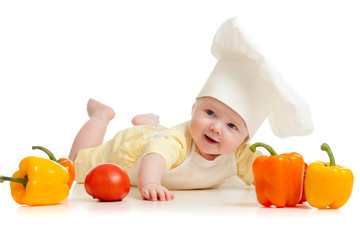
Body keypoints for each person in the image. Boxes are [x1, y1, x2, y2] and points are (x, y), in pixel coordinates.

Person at [70, 17, 314, 201]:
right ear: (194, 107)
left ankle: (149, 124)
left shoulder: (240, 155)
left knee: (163, 135)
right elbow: (156, 154)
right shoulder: (177, 141)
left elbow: (265, 174)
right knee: (75, 164)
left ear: (244, 139)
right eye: (210, 113)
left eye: (231, 126)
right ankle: (101, 116)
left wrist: (299, 183)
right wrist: (150, 183)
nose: (216, 128)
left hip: (163, 139)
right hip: (136, 151)